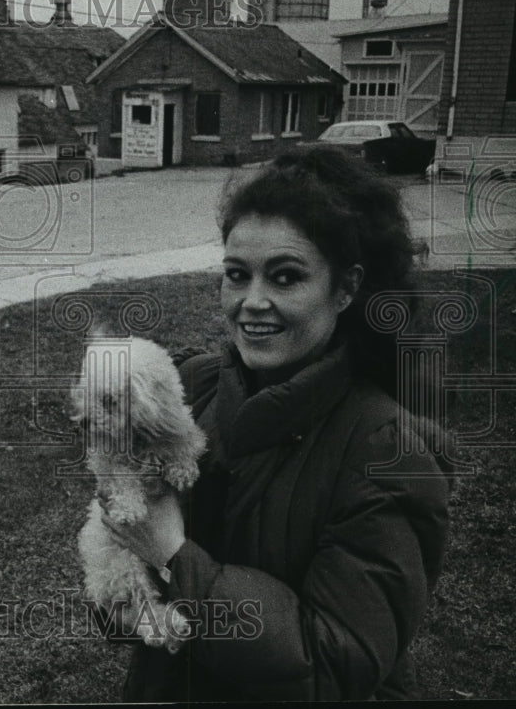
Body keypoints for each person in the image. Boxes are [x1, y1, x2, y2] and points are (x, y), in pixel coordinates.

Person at [103, 146, 451, 701]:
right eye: (236, 275)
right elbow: (125, 552)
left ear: (345, 288)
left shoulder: (388, 451)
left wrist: (172, 554)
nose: (251, 302)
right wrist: (122, 593)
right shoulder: (195, 387)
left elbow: (333, 665)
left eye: (285, 278)